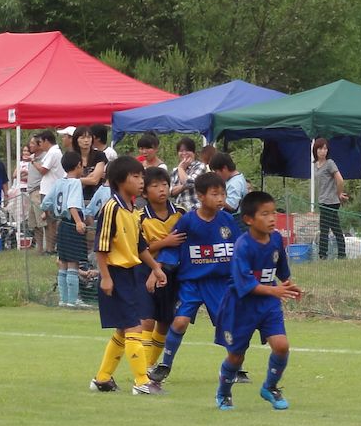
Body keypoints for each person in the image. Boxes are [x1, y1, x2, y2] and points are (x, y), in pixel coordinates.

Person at [148, 172, 249, 386]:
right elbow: (174, 248)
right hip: (192, 283)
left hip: (220, 283)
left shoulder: (227, 220)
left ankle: (237, 368)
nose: (221, 199)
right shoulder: (188, 221)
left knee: (229, 323)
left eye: (223, 194)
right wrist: (159, 269)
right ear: (201, 196)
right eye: (215, 194)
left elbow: (241, 246)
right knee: (180, 321)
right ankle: (165, 365)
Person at [214, 191, 302, 411]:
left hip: (268, 304)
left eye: (273, 213)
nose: (272, 218)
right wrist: (276, 291)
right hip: (241, 306)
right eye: (265, 214)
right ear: (249, 219)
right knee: (236, 357)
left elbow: (281, 269)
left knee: (281, 346)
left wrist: (289, 285)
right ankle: (223, 393)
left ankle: (270, 387)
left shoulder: (276, 239)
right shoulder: (242, 247)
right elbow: (246, 285)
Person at [89, 156, 167, 395]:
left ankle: (102, 378)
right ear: (120, 181)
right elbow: (101, 246)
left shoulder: (133, 210)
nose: (141, 181)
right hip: (115, 272)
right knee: (134, 327)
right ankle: (142, 381)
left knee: (124, 329)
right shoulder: (111, 208)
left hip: (130, 274)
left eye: (142, 176)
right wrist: (105, 276)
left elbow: (139, 245)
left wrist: (155, 267)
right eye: (136, 176)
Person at [137, 166, 185, 368]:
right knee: (146, 320)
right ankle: (144, 368)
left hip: (172, 273)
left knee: (165, 322)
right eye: (155, 186)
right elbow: (139, 248)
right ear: (145, 192)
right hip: (146, 271)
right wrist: (165, 242)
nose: (162, 190)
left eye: (165, 185)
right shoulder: (140, 217)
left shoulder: (180, 214)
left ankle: (151, 365)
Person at [45, 152, 87, 307]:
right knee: (73, 263)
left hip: (61, 224)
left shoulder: (58, 182)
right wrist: (78, 222)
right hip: (71, 222)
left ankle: (63, 300)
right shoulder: (75, 183)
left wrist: (46, 213)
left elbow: (46, 202)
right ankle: (73, 300)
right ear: (77, 166)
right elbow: (72, 204)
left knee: (62, 263)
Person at [312, 138, 350, 259]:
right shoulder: (315, 165)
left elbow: (340, 180)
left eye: (325, 148)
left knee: (324, 229)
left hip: (330, 202)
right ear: (315, 150)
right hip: (323, 200)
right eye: (320, 148)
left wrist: (339, 194)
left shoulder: (330, 163)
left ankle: (322, 255)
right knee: (336, 229)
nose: (323, 151)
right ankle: (342, 255)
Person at [33, 130, 64, 255]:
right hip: (49, 189)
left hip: (50, 190)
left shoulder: (53, 152)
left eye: (40, 142)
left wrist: (33, 162)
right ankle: (50, 247)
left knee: (51, 221)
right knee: (50, 220)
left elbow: (43, 170)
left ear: (46, 141)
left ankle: (51, 248)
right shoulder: (52, 152)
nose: (40, 145)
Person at [208, 152, 248, 235]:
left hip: (238, 221)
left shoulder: (235, 183)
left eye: (216, 171)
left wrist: (215, 199)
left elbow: (232, 205)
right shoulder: (233, 179)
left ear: (224, 168)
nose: (216, 175)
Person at [15, 139, 44, 250]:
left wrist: (33, 162)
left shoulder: (44, 157)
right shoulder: (32, 158)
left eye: (32, 143)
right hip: (30, 191)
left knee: (42, 222)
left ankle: (46, 247)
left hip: (38, 191)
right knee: (34, 223)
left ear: (39, 144)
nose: (30, 146)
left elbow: (43, 172)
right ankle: (39, 247)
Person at [170, 137, 206, 212]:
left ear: (193, 152)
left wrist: (181, 168)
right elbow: (171, 192)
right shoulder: (174, 171)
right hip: (179, 210)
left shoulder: (200, 166)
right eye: (181, 151)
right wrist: (184, 186)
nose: (184, 153)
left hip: (196, 209)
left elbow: (189, 183)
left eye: (187, 150)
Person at [73, 126, 108, 201]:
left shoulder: (99, 155)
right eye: (82, 138)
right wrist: (91, 175)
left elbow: (95, 180)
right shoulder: (71, 156)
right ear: (76, 140)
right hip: (76, 198)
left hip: (96, 198)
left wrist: (75, 181)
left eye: (89, 137)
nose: (86, 140)